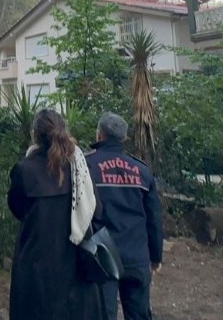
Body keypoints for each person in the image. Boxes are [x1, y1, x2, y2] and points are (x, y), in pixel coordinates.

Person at [8, 108, 103, 320]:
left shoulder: (24, 170)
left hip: (35, 269)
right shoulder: (80, 169)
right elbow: (96, 211)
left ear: (36, 134)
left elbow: (16, 208)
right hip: (75, 266)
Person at [86, 113, 163, 320]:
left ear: (100, 135)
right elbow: (154, 218)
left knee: (104, 314)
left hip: (103, 255)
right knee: (139, 314)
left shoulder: (86, 166)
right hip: (137, 255)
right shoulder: (142, 170)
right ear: (124, 138)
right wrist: (155, 256)